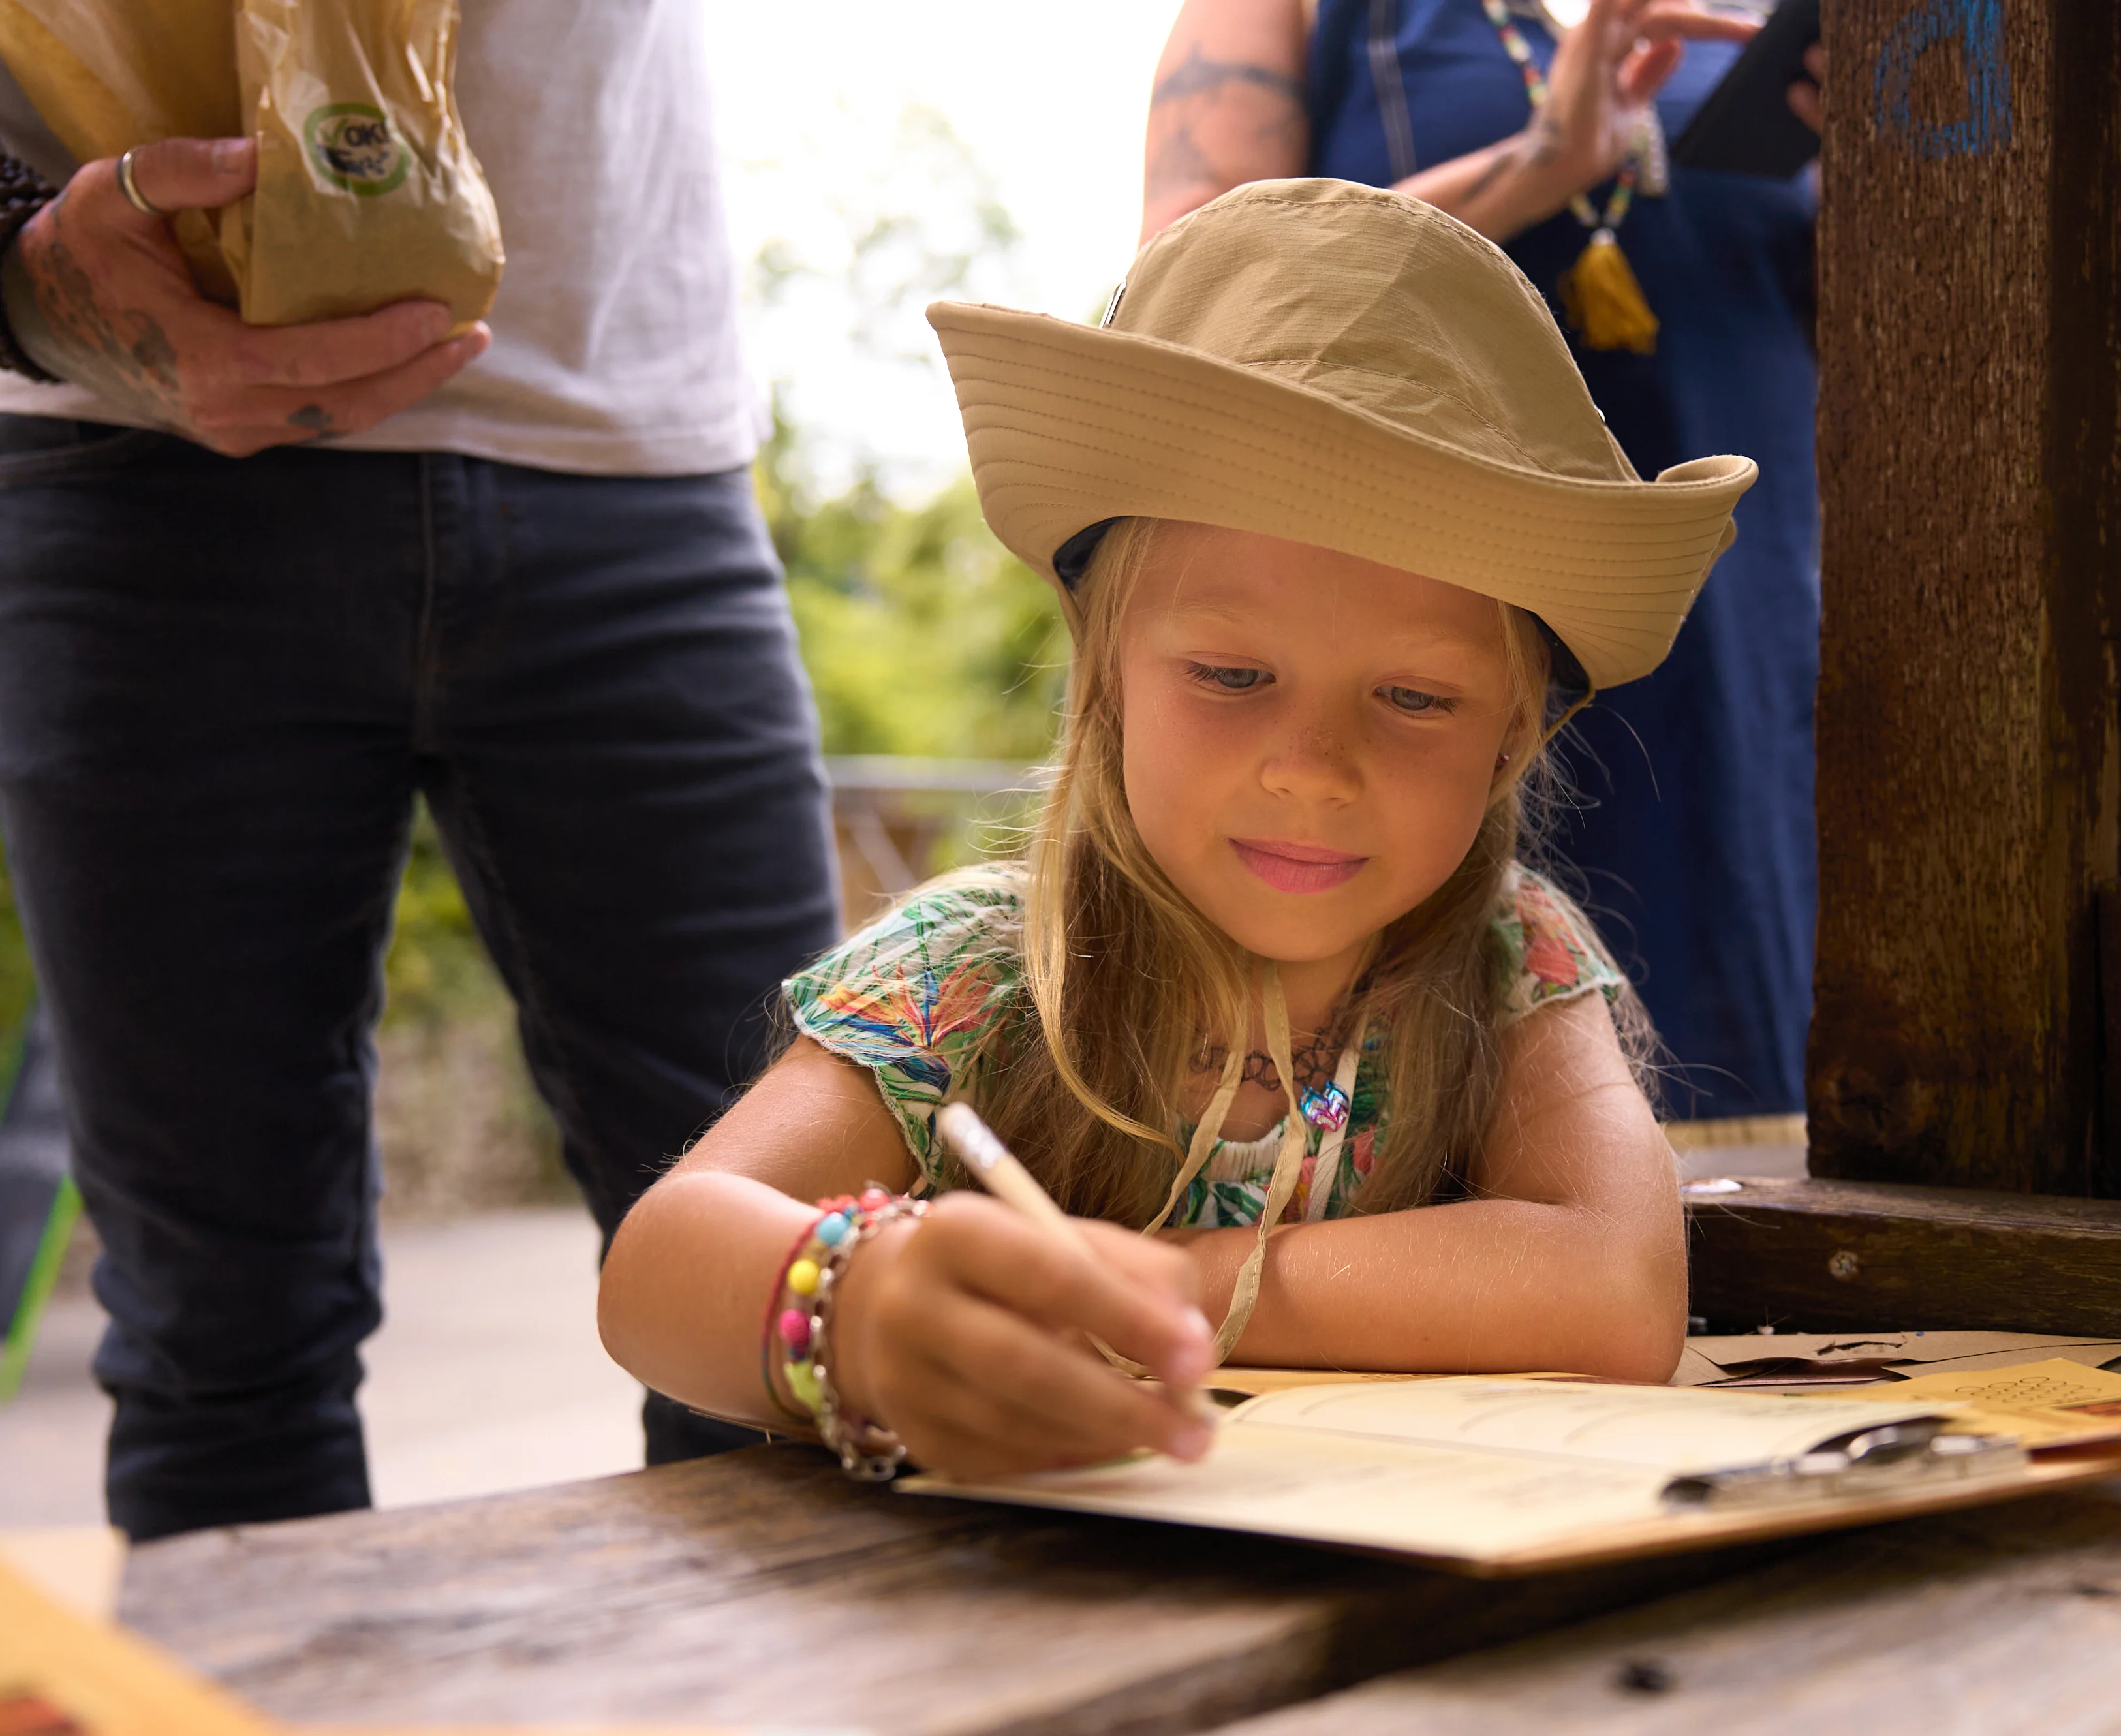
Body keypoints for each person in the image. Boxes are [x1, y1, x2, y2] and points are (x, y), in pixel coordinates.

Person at [596, 179, 1748, 1474]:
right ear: (1105, 676)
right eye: (1231, 676)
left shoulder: (1509, 959)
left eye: (1414, 696)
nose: (1312, 771)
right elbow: (657, 1267)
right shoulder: (970, 974)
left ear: (1512, 737)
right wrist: (859, 1306)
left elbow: (1612, 1288)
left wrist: (1151, 1288)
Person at [0, 7, 840, 1540]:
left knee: (781, 1298)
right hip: (127, 452)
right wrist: (9, 258)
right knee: (216, 1337)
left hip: (629, 448)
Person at [1142, 0, 1824, 1124]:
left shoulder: (1772, 23)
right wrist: (1535, 165)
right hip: (1413, 677)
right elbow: (1184, 322)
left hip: (1748, 667)